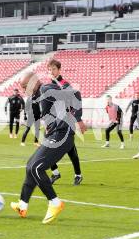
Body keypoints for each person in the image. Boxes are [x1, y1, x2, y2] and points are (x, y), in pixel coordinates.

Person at [11, 71, 85, 224]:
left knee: (37, 168)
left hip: (63, 135)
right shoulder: (39, 94)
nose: (24, 91)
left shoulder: (45, 89)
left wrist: (78, 119)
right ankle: (22, 205)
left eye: (25, 87)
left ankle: (55, 203)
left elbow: (75, 94)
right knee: (30, 165)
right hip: (54, 134)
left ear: (33, 83)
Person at [46, 59, 86, 186]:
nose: (51, 71)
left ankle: (78, 175)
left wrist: (78, 119)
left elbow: (77, 98)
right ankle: (56, 173)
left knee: (71, 150)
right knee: (47, 147)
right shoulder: (48, 86)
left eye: (53, 69)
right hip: (53, 123)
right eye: (49, 69)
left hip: (66, 122)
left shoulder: (65, 85)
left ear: (59, 70)